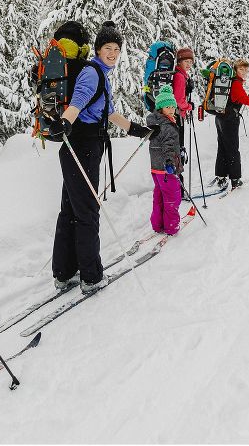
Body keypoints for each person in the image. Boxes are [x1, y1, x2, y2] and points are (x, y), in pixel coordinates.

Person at [47, 20, 155, 295]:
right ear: (97, 49)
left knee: (72, 210)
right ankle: (91, 277)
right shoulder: (93, 73)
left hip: (80, 145)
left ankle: (65, 272)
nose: (113, 54)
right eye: (108, 48)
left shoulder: (100, 74)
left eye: (117, 49)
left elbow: (106, 112)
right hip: (81, 146)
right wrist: (65, 123)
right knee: (87, 212)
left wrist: (135, 129)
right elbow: (78, 102)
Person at [210, 58, 249, 190]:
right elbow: (243, 98)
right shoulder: (235, 83)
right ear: (235, 70)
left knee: (223, 147)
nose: (244, 72)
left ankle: (221, 176)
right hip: (229, 120)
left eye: (246, 69)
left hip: (220, 117)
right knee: (232, 149)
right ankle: (235, 179)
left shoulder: (228, 81)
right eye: (241, 69)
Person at [146, 85, 183, 235]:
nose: (171, 110)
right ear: (160, 108)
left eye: (173, 106)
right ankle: (171, 226)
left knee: (160, 195)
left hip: (156, 168)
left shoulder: (155, 123)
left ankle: (158, 224)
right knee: (172, 197)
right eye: (167, 107)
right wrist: (169, 162)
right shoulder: (167, 125)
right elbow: (168, 146)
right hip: (167, 168)